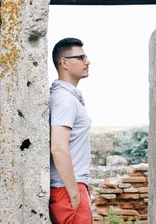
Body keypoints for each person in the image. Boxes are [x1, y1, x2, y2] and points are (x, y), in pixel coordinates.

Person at [49, 38, 92, 224]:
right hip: (67, 190)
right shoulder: (64, 99)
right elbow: (58, 147)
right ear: (64, 62)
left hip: (69, 188)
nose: (87, 61)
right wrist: (75, 193)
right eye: (81, 57)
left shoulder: (69, 97)